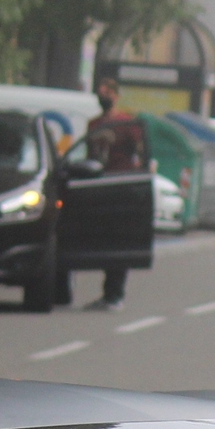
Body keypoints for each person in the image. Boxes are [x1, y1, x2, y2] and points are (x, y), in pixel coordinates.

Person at [82, 77, 147, 310]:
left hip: (122, 185)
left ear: (116, 96)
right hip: (99, 185)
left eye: (108, 93)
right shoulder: (94, 124)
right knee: (101, 241)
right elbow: (90, 154)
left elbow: (139, 153)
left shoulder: (127, 123)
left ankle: (114, 294)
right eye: (100, 92)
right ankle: (107, 293)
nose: (104, 97)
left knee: (119, 240)